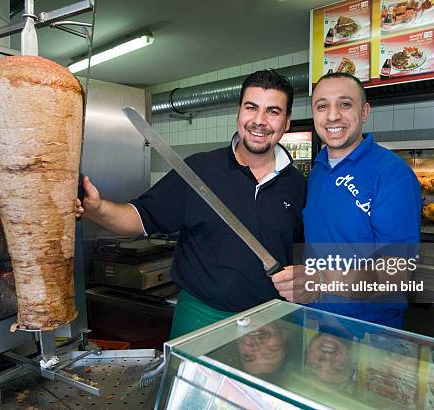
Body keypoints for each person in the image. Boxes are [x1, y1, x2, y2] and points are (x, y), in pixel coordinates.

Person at [77, 70, 306, 338]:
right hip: (200, 318)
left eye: (273, 111)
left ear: (287, 121)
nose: (259, 120)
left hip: (268, 325)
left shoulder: (298, 185)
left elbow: (304, 253)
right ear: (239, 113)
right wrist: (97, 208)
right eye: (251, 107)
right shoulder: (199, 169)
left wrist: (306, 276)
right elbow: (138, 218)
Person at [272, 72, 421, 329]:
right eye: (322, 106)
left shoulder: (391, 173)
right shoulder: (318, 169)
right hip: (316, 322)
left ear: (364, 112)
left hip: (369, 330)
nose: (332, 116)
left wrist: (319, 281)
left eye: (344, 104)